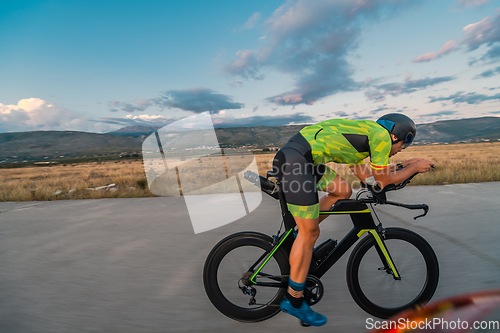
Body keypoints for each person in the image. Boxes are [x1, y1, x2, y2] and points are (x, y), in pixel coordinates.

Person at [272, 113, 434, 326]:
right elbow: (383, 179)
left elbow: (369, 177)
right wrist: (413, 167)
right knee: (310, 233)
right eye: (403, 145)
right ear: (396, 137)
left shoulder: (367, 136)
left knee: (342, 190)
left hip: (303, 160)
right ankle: (293, 299)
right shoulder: (381, 137)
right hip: (296, 162)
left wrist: (401, 168)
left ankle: (298, 233)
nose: (399, 151)